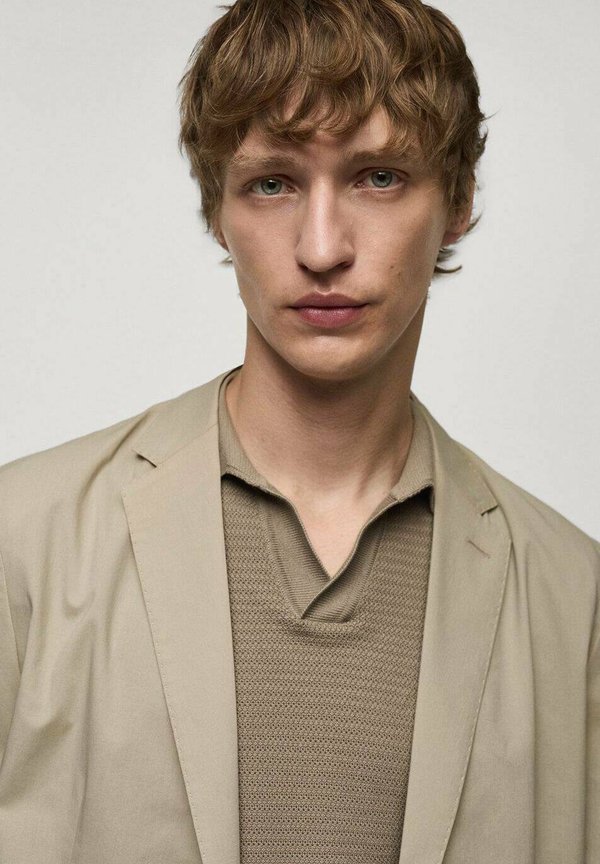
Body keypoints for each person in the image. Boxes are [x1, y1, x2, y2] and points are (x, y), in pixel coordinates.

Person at [0, 0, 597, 861]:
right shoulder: (23, 545)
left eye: (379, 177)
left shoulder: (576, 600)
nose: (322, 248)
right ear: (217, 210)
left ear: (459, 201)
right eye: (272, 183)